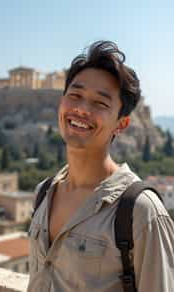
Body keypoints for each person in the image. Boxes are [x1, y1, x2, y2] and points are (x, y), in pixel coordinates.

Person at [27, 41, 174, 292]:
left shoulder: (141, 212)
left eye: (100, 103)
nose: (81, 109)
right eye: (75, 95)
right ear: (61, 102)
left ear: (122, 124)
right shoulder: (43, 193)